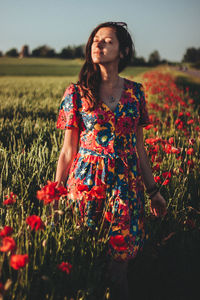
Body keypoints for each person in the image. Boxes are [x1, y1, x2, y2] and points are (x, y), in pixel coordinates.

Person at [55, 21, 167, 300]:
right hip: (86, 185)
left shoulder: (135, 93)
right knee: (87, 259)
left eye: (107, 41)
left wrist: (153, 192)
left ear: (123, 51)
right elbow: (68, 150)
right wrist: (56, 192)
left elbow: (140, 149)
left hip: (126, 188)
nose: (98, 44)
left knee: (119, 268)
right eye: (95, 40)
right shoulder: (76, 93)